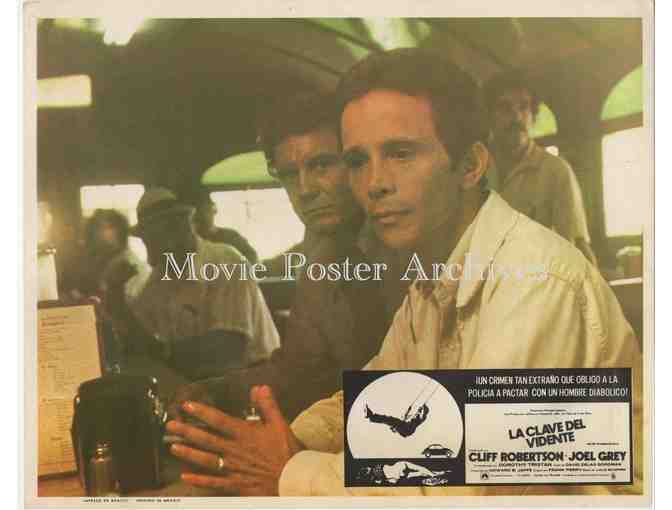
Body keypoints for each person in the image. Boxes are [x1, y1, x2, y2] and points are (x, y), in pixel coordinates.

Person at [164, 49, 642, 497]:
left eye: (400, 153)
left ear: (470, 165)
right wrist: (284, 440)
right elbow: (378, 399)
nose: (374, 184)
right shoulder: (430, 281)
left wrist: (287, 469)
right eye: (358, 161)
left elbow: (473, 489)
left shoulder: (536, 282)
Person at [170, 91, 390, 420]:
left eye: (322, 165)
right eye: (288, 174)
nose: (305, 190)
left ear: (357, 161)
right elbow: (299, 369)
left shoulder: (407, 247)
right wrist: (217, 391)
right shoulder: (323, 258)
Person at [127, 187, 280, 381]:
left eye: (153, 238)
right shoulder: (161, 278)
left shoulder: (226, 262)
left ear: (181, 228)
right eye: (146, 239)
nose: (149, 250)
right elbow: (138, 341)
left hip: (257, 378)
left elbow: (228, 351)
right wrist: (115, 301)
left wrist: (162, 351)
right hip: (207, 383)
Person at [484, 71, 598, 265]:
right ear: (489, 117)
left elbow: (576, 247)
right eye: (505, 108)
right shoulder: (473, 169)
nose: (516, 117)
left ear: (534, 116)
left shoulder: (556, 171)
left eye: (524, 107)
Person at [192, 192, 259, 263]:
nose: (203, 215)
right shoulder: (191, 241)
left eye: (206, 210)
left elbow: (252, 257)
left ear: (214, 210)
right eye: (199, 212)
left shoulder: (231, 236)